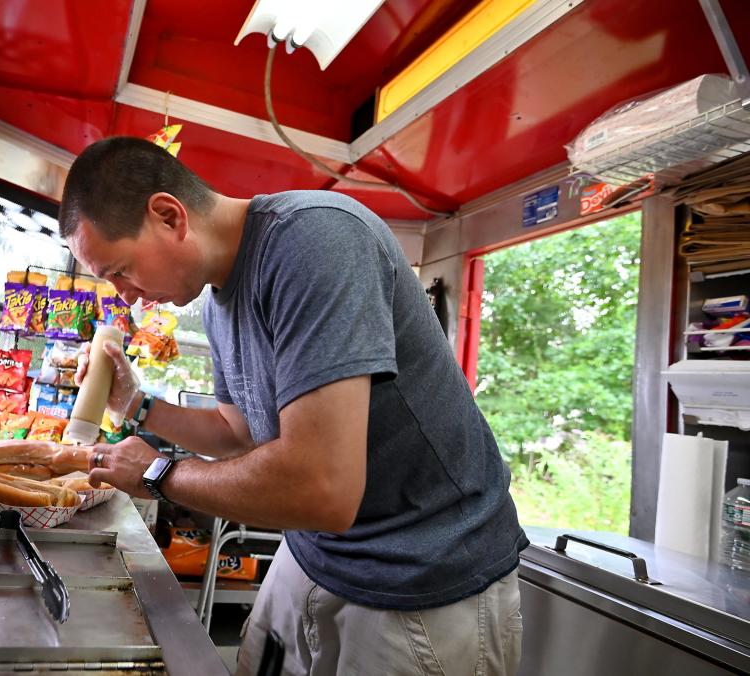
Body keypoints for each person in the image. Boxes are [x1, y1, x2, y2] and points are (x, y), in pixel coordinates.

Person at [59, 136, 529, 675]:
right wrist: (136, 404)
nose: (123, 295)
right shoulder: (216, 302)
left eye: (120, 269)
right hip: (317, 554)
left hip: (422, 575)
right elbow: (239, 429)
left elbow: (322, 487)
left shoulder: (315, 241)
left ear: (169, 216)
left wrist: (159, 473)